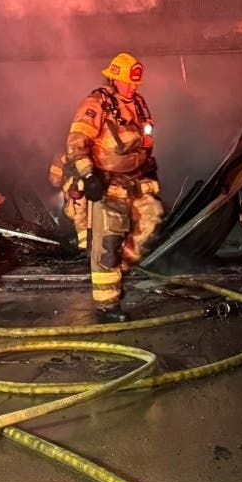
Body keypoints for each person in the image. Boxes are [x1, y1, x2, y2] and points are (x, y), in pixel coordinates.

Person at [66, 53, 163, 322]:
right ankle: (108, 305)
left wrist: (148, 165)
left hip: (136, 179)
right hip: (107, 183)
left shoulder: (139, 103)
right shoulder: (96, 103)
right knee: (108, 242)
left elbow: (144, 139)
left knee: (151, 220)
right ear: (113, 78)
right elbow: (76, 142)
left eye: (135, 83)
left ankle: (118, 273)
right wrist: (88, 176)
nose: (133, 87)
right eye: (127, 83)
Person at [47, 154, 89, 251]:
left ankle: (84, 249)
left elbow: (55, 181)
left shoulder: (61, 155)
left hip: (78, 191)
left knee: (81, 220)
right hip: (93, 189)